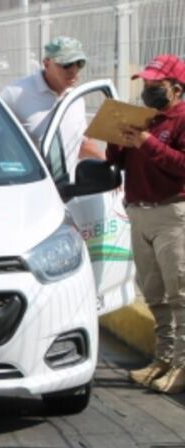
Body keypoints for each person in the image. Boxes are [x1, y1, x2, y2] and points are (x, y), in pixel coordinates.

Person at [108, 55, 185, 394]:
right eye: (147, 84)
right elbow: (117, 160)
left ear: (177, 88)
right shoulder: (145, 118)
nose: (149, 89)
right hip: (139, 213)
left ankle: (182, 365)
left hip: (172, 215)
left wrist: (147, 142)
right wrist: (117, 139)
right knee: (155, 295)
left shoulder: (181, 119)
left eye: (157, 85)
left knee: (179, 295)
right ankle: (164, 358)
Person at [0, 36, 104, 171]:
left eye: (79, 63)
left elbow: (78, 144)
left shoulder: (76, 100)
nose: (73, 70)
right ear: (46, 63)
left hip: (65, 183)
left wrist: (106, 160)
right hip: (27, 181)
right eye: (66, 64)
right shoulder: (15, 94)